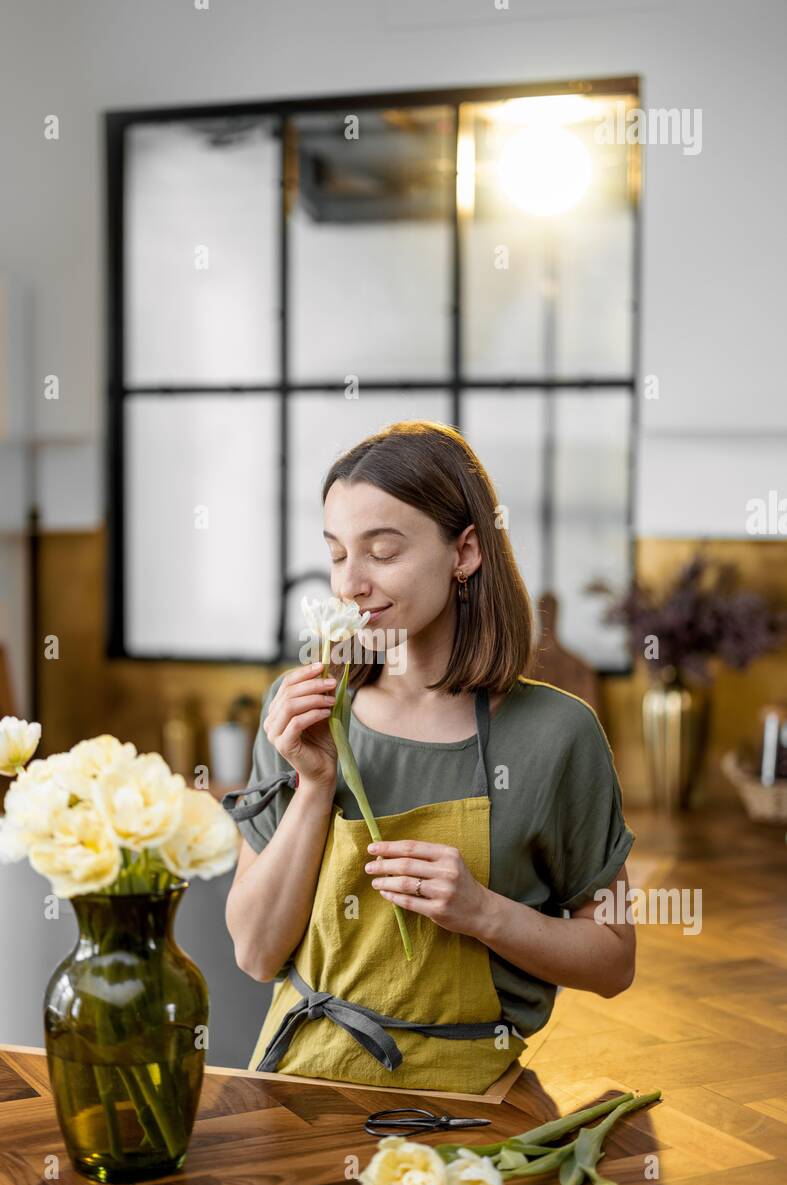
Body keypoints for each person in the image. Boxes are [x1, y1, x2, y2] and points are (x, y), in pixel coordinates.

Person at [224, 420, 635, 1094]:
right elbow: (254, 951)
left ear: (465, 551)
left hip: (466, 1098)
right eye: (335, 554)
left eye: (381, 552)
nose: (350, 583)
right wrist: (314, 783)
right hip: (297, 1085)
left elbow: (613, 963)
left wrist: (482, 912)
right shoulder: (302, 710)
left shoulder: (558, 734)